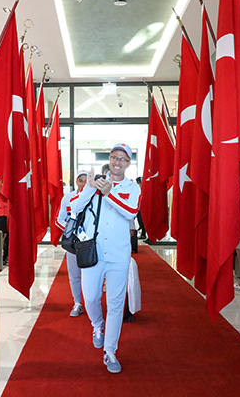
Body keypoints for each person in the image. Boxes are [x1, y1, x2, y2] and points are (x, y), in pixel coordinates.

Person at [71, 143, 141, 374]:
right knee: (90, 297)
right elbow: (74, 209)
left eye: (122, 159)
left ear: (128, 163)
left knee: (115, 303)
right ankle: (97, 326)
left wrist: (109, 192)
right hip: (93, 252)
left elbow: (131, 212)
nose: (117, 162)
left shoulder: (132, 188)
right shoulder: (95, 184)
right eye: (114, 157)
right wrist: (90, 189)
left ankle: (110, 351)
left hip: (119, 255)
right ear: (109, 159)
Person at [56, 170, 88, 317]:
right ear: (76, 182)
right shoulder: (67, 198)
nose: (83, 183)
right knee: (74, 274)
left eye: (86, 180)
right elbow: (59, 218)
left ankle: (90, 302)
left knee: (91, 274)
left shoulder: (94, 198)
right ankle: (77, 303)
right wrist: (71, 232)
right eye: (81, 180)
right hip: (73, 244)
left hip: (90, 243)